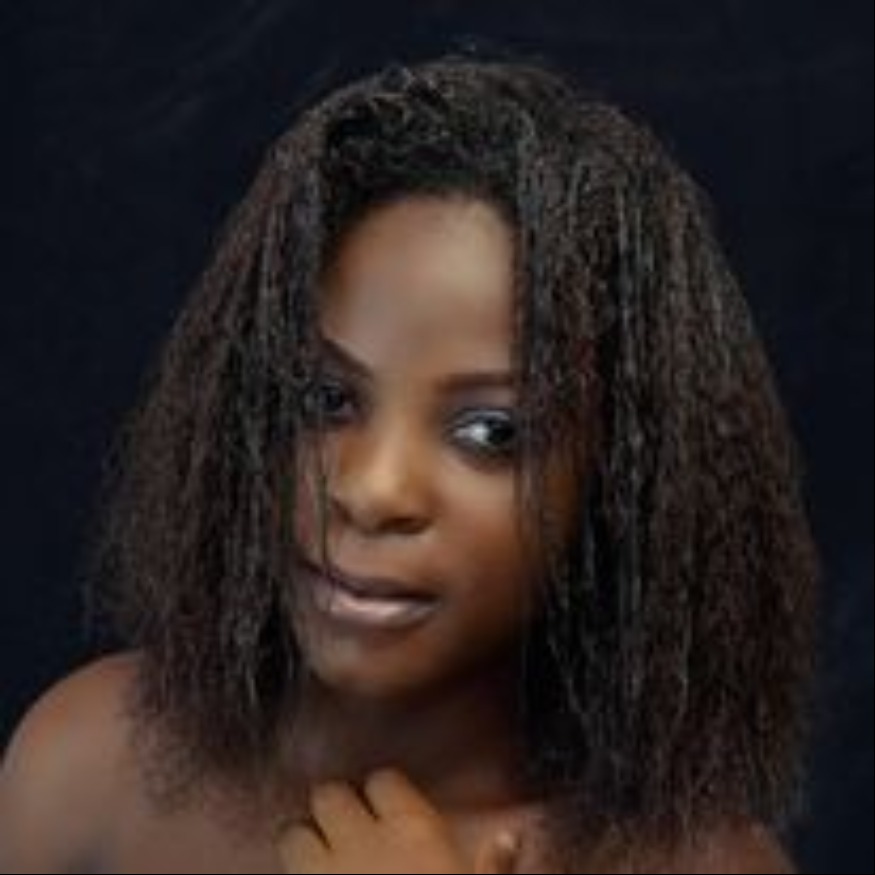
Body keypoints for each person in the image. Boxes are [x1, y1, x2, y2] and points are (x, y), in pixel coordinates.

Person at [0, 56, 817, 873]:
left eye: (490, 431)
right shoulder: (91, 761)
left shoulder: (699, 864)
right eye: (326, 397)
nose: (370, 488)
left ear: (618, 483)